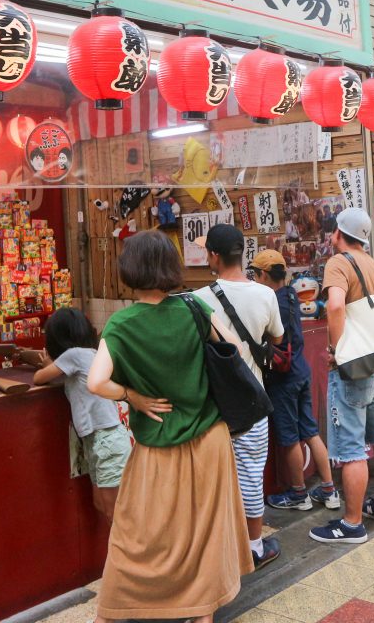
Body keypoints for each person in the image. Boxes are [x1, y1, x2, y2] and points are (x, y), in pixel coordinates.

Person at [86, 230, 252, 623]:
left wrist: (131, 395)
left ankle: (111, 614)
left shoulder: (122, 324)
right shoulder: (193, 307)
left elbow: (95, 382)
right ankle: (201, 614)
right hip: (210, 439)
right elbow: (236, 349)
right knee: (203, 532)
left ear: (130, 269)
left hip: (158, 445)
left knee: (137, 533)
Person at [310, 208, 374, 545]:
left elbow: (336, 305)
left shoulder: (338, 263)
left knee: (352, 449)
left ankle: (351, 524)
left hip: (352, 371)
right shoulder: (371, 265)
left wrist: (338, 350)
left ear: (338, 233)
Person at [192, 224, 285, 570]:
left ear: (214, 255)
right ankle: (254, 547)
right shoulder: (266, 295)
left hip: (213, 405)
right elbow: (276, 339)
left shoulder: (199, 299)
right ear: (241, 254)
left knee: (214, 480)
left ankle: (217, 549)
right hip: (251, 401)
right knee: (250, 475)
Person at [249, 249, 341, 513]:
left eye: (255, 274)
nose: (254, 279)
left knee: (289, 438)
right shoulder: (291, 294)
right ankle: (329, 489)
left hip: (284, 378)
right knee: (310, 432)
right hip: (302, 371)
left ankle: (299, 495)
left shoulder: (270, 302)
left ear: (264, 275)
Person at [25, 308, 131, 522]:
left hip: (106, 440)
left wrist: (47, 364)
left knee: (115, 515)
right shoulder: (89, 355)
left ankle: (130, 555)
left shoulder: (74, 356)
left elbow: (39, 378)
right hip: (99, 441)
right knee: (102, 505)